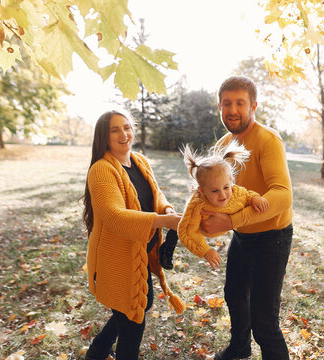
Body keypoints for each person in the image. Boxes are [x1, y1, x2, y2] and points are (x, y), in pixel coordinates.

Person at [201, 76, 294, 360]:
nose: (233, 109)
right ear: (219, 106)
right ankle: (240, 348)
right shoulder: (223, 145)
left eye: (240, 103)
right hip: (242, 236)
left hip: (272, 237)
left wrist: (230, 221)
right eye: (227, 103)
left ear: (253, 106)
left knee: (264, 322)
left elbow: (283, 194)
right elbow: (214, 191)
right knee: (234, 296)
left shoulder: (267, 140)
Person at [82, 110, 184, 360]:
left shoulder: (140, 161)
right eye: (115, 130)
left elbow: (156, 195)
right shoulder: (102, 170)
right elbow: (115, 216)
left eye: (126, 127)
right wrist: (164, 221)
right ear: (103, 138)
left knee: (139, 306)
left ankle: (97, 352)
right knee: (132, 323)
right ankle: (101, 352)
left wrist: (168, 209)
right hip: (116, 260)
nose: (123, 133)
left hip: (137, 255)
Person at [174, 140, 269, 271]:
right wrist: (206, 251)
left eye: (226, 187)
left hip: (251, 234)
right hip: (206, 230)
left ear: (231, 182)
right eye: (214, 191)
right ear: (202, 190)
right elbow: (187, 232)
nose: (223, 195)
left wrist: (256, 198)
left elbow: (247, 195)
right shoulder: (197, 205)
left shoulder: (235, 192)